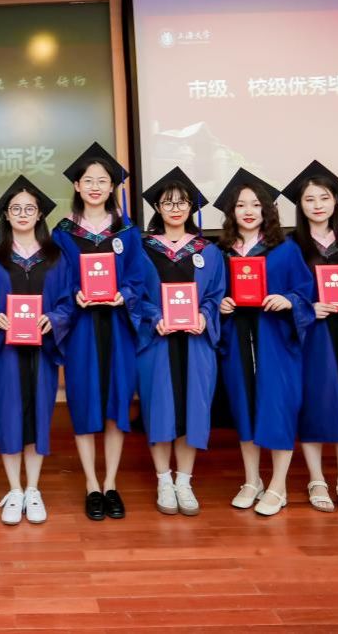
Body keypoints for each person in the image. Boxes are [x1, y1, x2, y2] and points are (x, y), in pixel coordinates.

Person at [51, 142, 151, 521]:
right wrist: (73, 294)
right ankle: (92, 484)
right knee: (83, 401)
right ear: (77, 186)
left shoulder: (128, 231)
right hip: (81, 328)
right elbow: (57, 280)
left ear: (112, 187)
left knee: (116, 404)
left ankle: (111, 483)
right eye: (88, 180)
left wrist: (124, 294)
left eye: (103, 181)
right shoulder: (63, 233)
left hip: (118, 325)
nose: (95, 187)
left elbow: (138, 278)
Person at [213, 169, 313, 517]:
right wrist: (221, 304)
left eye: (256, 204)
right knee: (244, 407)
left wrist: (288, 300)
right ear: (231, 211)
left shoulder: (285, 250)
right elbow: (211, 294)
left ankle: (278, 485)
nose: (248, 211)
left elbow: (305, 292)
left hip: (276, 340)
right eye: (241, 205)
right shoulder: (221, 252)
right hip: (238, 339)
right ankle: (251, 480)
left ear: (267, 209)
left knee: (278, 407)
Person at [0, 175, 74, 525]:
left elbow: (67, 302)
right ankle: (14, 489)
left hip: (42, 349)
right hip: (5, 351)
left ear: (40, 214)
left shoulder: (56, 257)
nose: (22, 214)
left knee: (38, 415)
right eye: (16, 208)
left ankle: (33, 488)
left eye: (29, 209)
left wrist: (54, 318)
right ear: (6, 215)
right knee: (7, 416)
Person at [282, 161, 338, 516]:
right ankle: (317, 478)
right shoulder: (291, 246)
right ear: (300, 205)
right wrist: (307, 307)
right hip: (314, 334)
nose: (317, 205)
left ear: (336, 201)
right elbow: (284, 291)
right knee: (315, 402)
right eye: (309, 199)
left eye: (324, 197)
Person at [135, 168, 225, 517]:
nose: (175, 208)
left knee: (193, 409)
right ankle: (163, 479)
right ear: (157, 207)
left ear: (192, 207)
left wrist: (205, 314)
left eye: (182, 202)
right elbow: (136, 294)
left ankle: (184, 480)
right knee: (159, 407)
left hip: (195, 342)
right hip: (156, 342)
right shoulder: (143, 249)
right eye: (168, 202)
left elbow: (216, 294)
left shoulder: (208, 251)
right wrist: (153, 316)